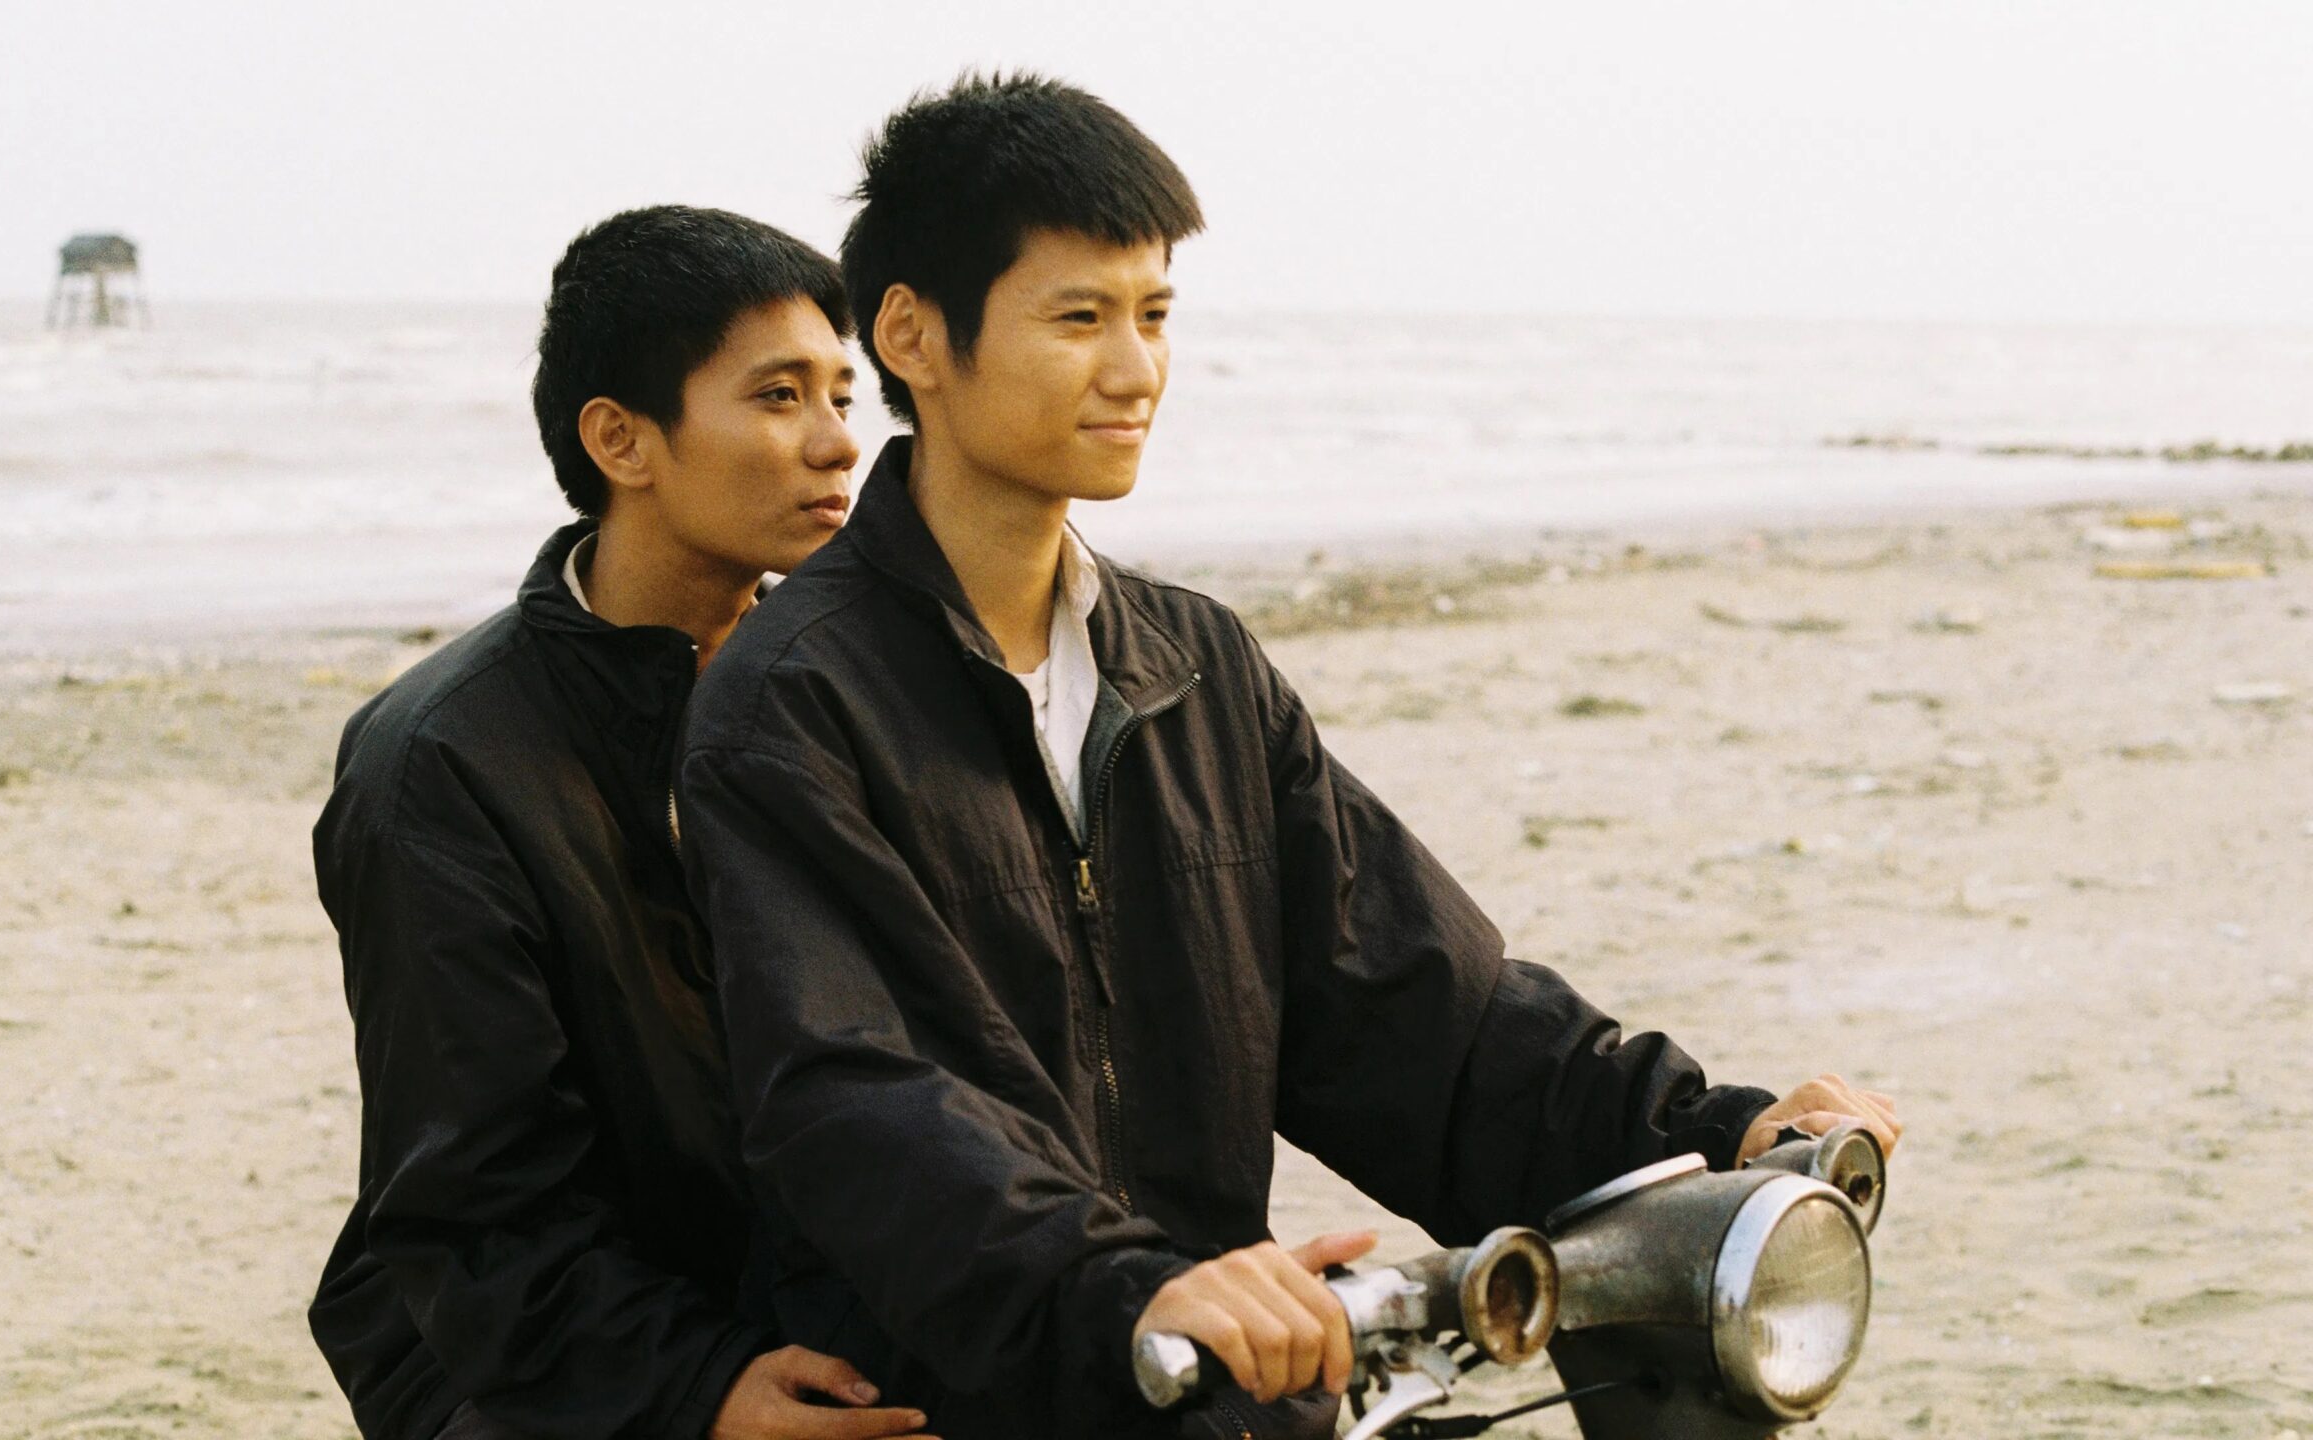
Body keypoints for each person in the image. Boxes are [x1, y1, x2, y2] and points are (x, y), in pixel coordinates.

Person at [677, 75, 1902, 1440]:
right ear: (913, 335)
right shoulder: (791, 699)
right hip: (957, 1396)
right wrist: (1119, 1283)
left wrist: (1709, 1132)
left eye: (1153, 316)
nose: (1135, 370)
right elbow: (855, 1094)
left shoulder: (1195, 666)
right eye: (1079, 318)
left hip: (1235, 1386)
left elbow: (1423, 1010)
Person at [309, 206, 932, 1440]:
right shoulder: (442, 760)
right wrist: (705, 1389)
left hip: (813, 1305)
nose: (836, 443)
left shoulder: (856, 694)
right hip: (525, 1359)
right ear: (621, 439)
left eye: (842, 395)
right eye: (777, 397)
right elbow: (477, 1202)